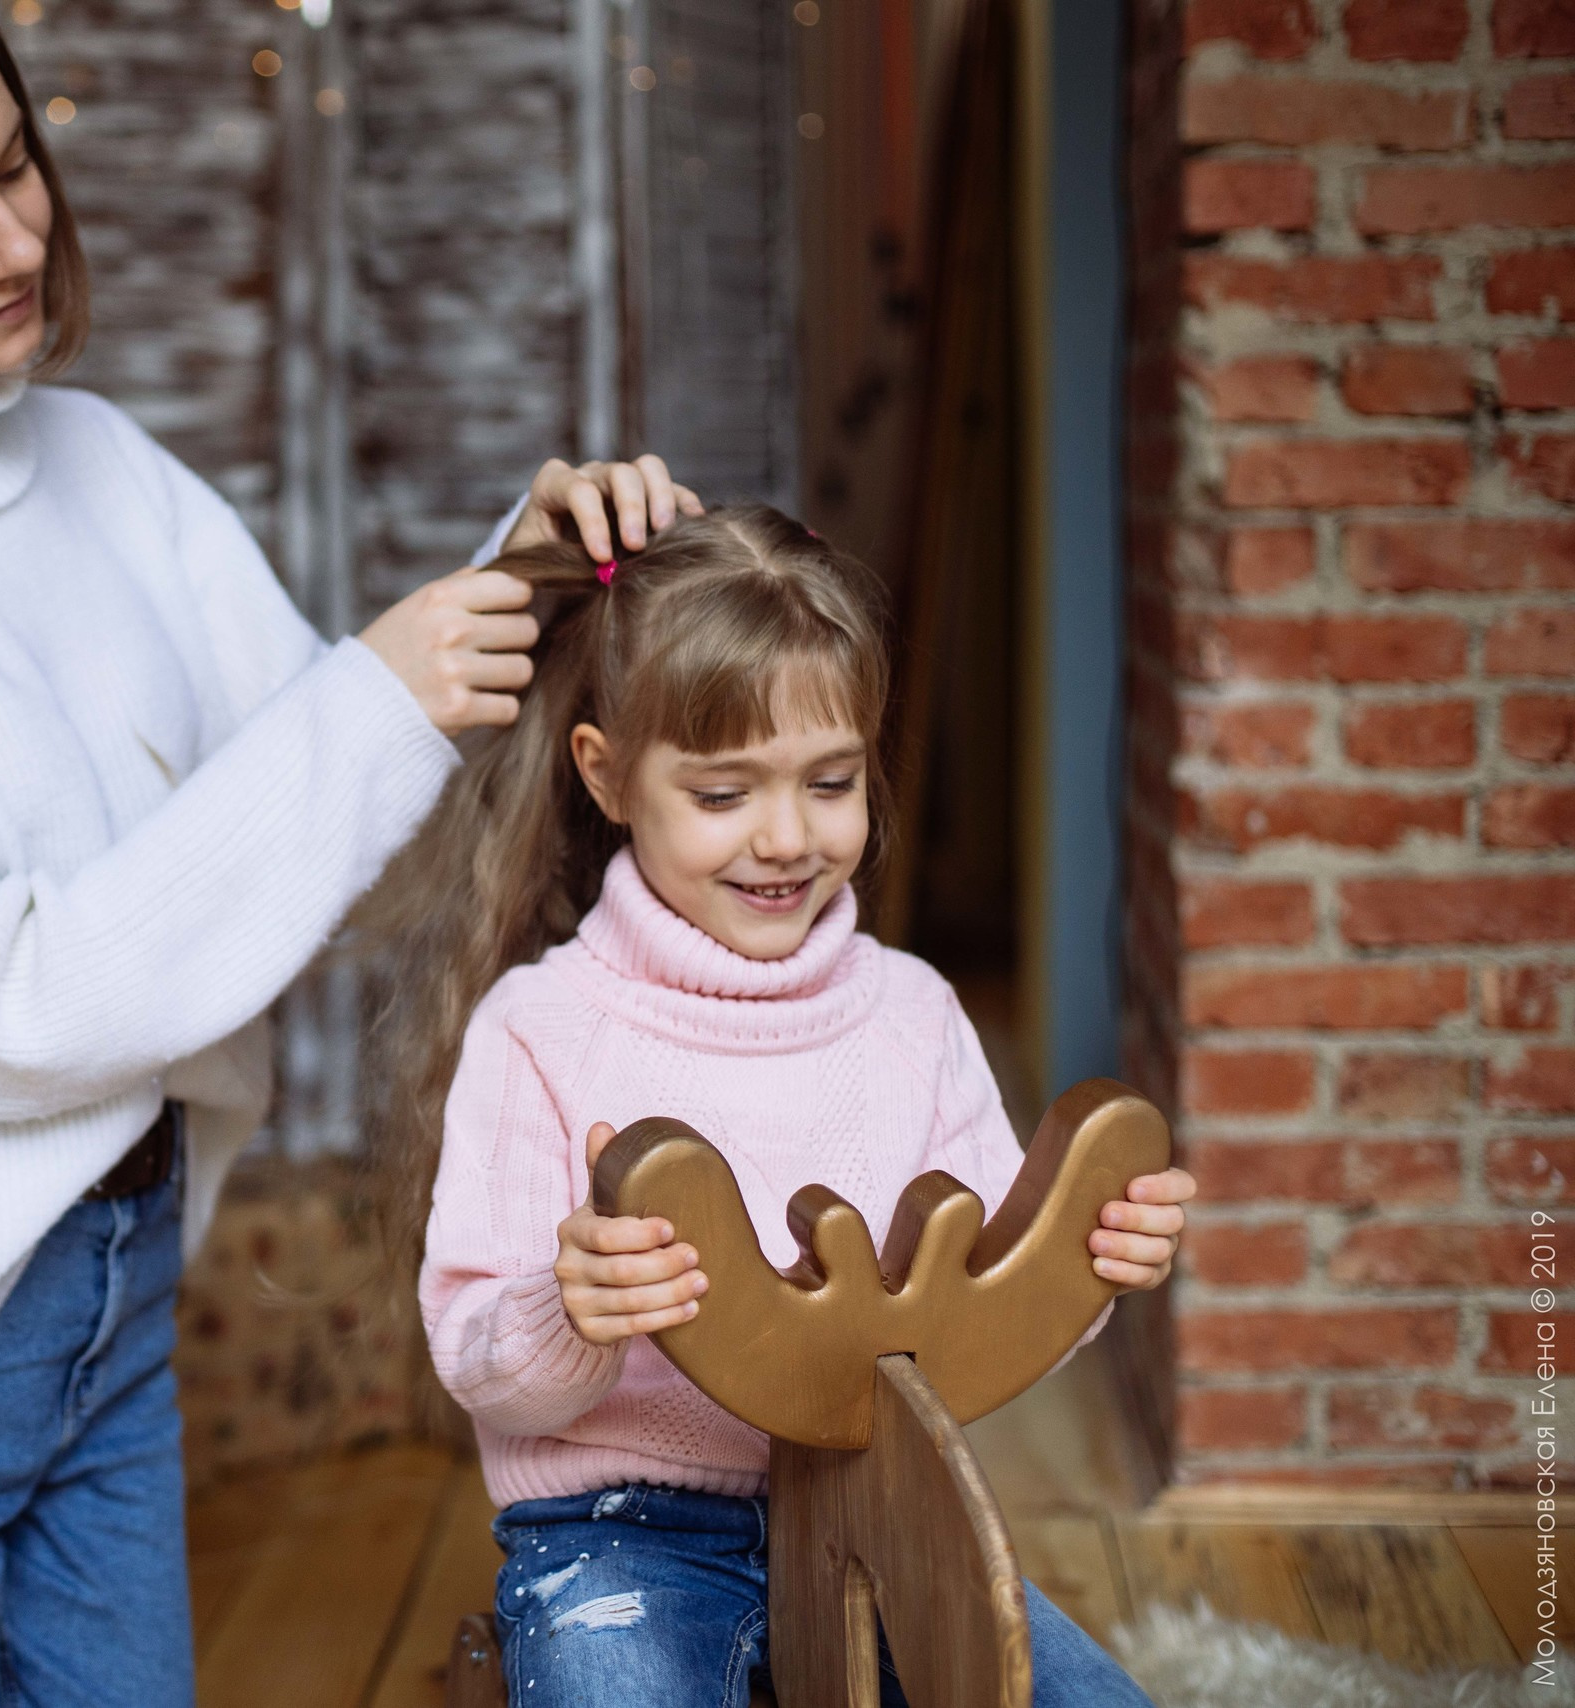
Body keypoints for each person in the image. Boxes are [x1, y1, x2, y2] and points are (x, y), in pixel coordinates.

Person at [0, 1, 700, 1702]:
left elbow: (332, 831)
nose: (14, 240)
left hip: (105, 1320)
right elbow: (8, 1004)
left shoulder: (102, 469)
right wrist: (376, 702)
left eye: (15, 165)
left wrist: (526, 589)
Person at [369, 507, 1195, 1707]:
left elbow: (983, 1307)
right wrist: (574, 1308)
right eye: (721, 793)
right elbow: (479, 1357)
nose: (788, 837)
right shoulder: (538, 1031)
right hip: (619, 1531)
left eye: (830, 780)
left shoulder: (912, 1015)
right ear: (607, 775)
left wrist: (1085, 1267)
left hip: (881, 1498)